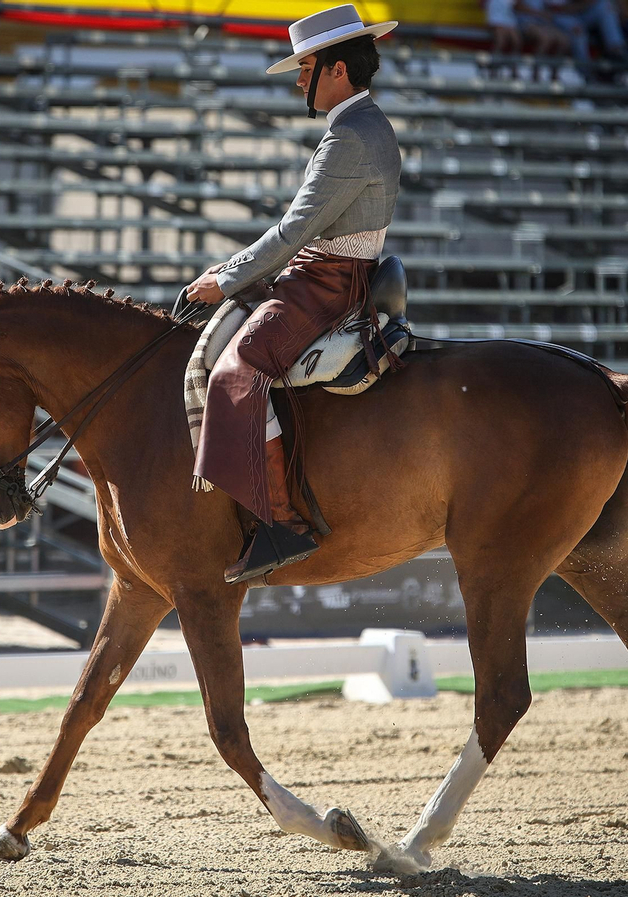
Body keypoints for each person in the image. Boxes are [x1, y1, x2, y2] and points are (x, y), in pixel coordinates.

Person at [184, 5, 401, 584]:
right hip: (324, 270)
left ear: (336, 70)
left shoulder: (348, 138)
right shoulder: (363, 125)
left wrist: (226, 277)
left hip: (324, 280)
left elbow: (293, 231)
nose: (300, 80)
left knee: (240, 368)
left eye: (306, 68)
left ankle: (281, 524)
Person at [542, 0, 628, 66]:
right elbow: (559, 9)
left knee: (605, 5)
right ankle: (586, 72)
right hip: (555, 16)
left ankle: (616, 49)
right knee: (578, 30)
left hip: (577, 13)